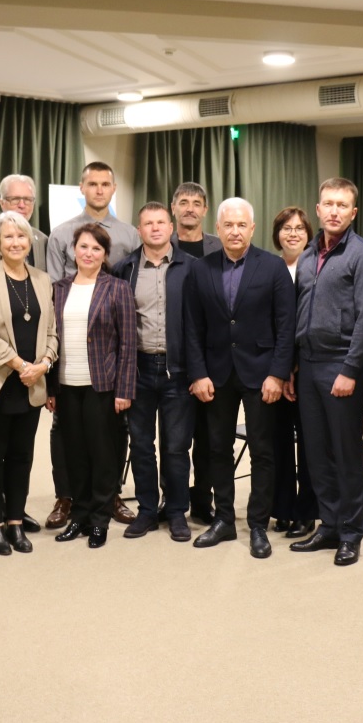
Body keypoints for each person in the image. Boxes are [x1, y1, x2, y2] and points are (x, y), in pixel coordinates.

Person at [184, 198, 296, 559]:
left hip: (261, 373)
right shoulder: (200, 270)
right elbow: (191, 328)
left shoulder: (273, 267)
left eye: (241, 225)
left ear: (252, 228)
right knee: (218, 448)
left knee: (262, 450)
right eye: (228, 225)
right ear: (218, 229)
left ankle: (258, 524)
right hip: (215, 374)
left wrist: (277, 374)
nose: (235, 231)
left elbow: (286, 326)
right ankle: (224, 520)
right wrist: (198, 373)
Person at [288, 178, 363, 567]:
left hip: (341, 365)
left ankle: (350, 532)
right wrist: (293, 364)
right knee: (316, 452)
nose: (334, 211)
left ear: (353, 212)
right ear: (318, 209)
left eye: (342, 205)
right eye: (328, 204)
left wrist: (351, 369)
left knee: (345, 454)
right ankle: (328, 525)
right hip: (308, 364)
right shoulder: (308, 255)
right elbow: (299, 311)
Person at [45, 161, 140, 528]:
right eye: (93, 184)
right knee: (66, 436)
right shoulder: (60, 234)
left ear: (113, 189)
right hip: (68, 367)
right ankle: (67, 497)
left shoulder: (130, 235)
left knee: (110, 435)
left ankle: (110, 495)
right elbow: (53, 305)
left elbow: (126, 327)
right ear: (81, 188)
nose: (99, 190)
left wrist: (123, 384)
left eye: (105, 184)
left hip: (104, 364)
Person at [0, 211, 58, 556]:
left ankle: (16, 522)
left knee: (22, 457)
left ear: (30, 241)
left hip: (31, 384)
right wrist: (20, 365)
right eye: (8, 237)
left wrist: (44, 364)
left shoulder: (43, 279)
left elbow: (52, 331)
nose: (15, 242)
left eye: (21, 236)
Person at [114, 203, 197, 542]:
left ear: (171, 227)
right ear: (140, 230)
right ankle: (148, 510)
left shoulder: (191, 267)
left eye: (161, 222)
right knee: (142, 445)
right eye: (148, 223)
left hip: (178, 370)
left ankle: (176, 511)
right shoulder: (125, 268)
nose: (155, 228)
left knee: (176, 447)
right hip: (139, 369)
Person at [169, 181, 222, 526]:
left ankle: (203, 500)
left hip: (213, 357)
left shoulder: (219, 246)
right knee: (175, 438)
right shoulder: (161, 244)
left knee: (209, 437)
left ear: (205, 210)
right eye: (183, 202)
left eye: (196, 203)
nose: (189, 208)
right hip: (174, 356)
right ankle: (172, 500)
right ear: (173, 208)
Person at [270, 207, 318, 539]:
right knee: (279, 442)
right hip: (274, 369)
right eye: (286, 228)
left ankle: (307, 512)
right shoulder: (269, 268)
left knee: (310, 444)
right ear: (277, 234)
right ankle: (282, 508)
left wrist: (295, 364)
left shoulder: (316, 268)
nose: (293, 233)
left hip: (308, 368)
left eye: (300, 228)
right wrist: (281, 367)